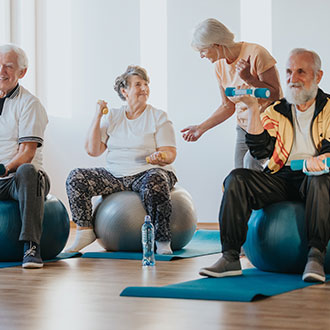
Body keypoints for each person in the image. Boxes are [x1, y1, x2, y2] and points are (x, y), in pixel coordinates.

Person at [199, 48, 330, 282]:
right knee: (237, 178)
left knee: (319, 177)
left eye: (301, 72)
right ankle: (230, 257)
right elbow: (261, 150)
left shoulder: (329, 108)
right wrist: (251, 108)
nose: (292, 78)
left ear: (318, 77)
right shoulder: (277, 109)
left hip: (316, 175)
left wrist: (320, 159)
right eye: (289, 72)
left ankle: (315, 257)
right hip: (282, 175)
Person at [65, 65, 177, 254]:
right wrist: (98, 115)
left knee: (156, 179)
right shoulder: (114, 116)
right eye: (138, 84)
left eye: (145, 84)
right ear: (124, 91)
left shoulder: (158, 116)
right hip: (116, 174)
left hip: (147, 172)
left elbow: (170, 153)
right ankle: (84, 231)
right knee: (76, 177)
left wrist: (161, 157)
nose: (144, 88)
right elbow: (93, 150)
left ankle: (162, 240)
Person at [181, 18, 282, 170]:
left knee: (251, 165)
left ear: (216, 45)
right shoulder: (219, 66)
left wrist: (248, 78)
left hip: (267, 125)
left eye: (203, 50)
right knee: (238, 174)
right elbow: (227, 105)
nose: (201, 55)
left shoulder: (256, 53)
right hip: (243, 127)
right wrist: (201, 128)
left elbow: (275, 94)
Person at [0, 44, 49, 268]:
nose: (2, 71)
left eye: (8, 66)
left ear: (22, 72)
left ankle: (31, 246)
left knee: (27, 170)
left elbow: (27, 153)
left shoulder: (30, 104)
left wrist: (3, 169)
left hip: (21, 180)